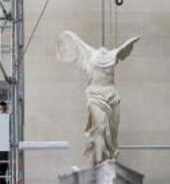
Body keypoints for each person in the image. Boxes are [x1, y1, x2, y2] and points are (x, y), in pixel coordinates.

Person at [56, 30, 140, 165]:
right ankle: (100, 159)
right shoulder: (89, 54)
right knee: (100, 127)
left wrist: (129, 44)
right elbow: (74, 41)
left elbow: (122, 50)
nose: (103, 51)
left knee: (112, 130)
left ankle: (107, 155)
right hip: (95, 95)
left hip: (111, 95)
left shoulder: (112, 55)